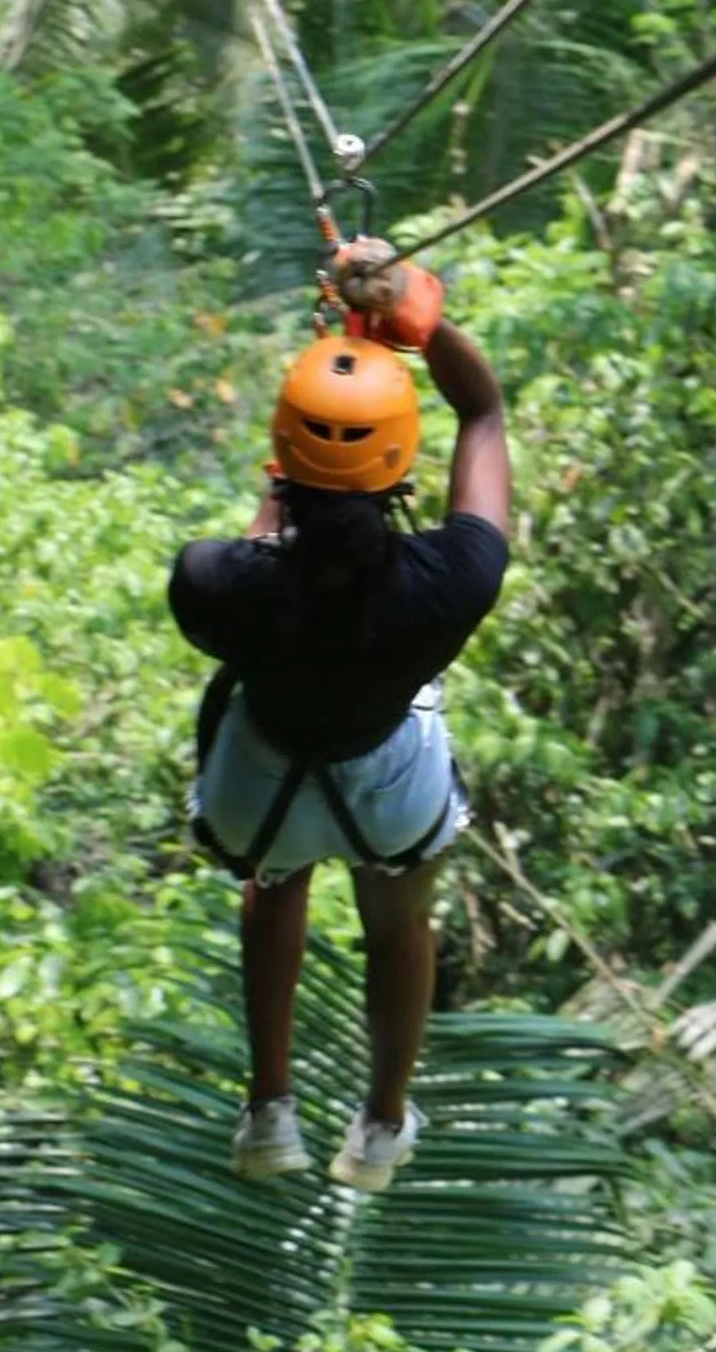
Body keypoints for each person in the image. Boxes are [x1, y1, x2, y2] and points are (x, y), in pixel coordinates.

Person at [167, 239, 511, 1193]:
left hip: (258, 787)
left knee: (274, 879)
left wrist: (294, 469)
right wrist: (416, 317)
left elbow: (261, 552)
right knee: (399, 918)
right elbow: (482, 412)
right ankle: (382, 1124)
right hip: (387, 785)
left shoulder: (210, 583)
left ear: (282, 452)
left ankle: (268, 1108)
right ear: (400, 459)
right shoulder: (452, 582)